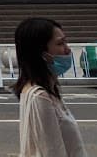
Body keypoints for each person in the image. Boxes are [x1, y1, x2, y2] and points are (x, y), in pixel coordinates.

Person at [13, 16, 86, 157]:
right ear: (43, 54)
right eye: (60, 44)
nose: (68, 49)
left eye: (66, 41)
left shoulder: (47, 90)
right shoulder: (40, 97)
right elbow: (52, 151)